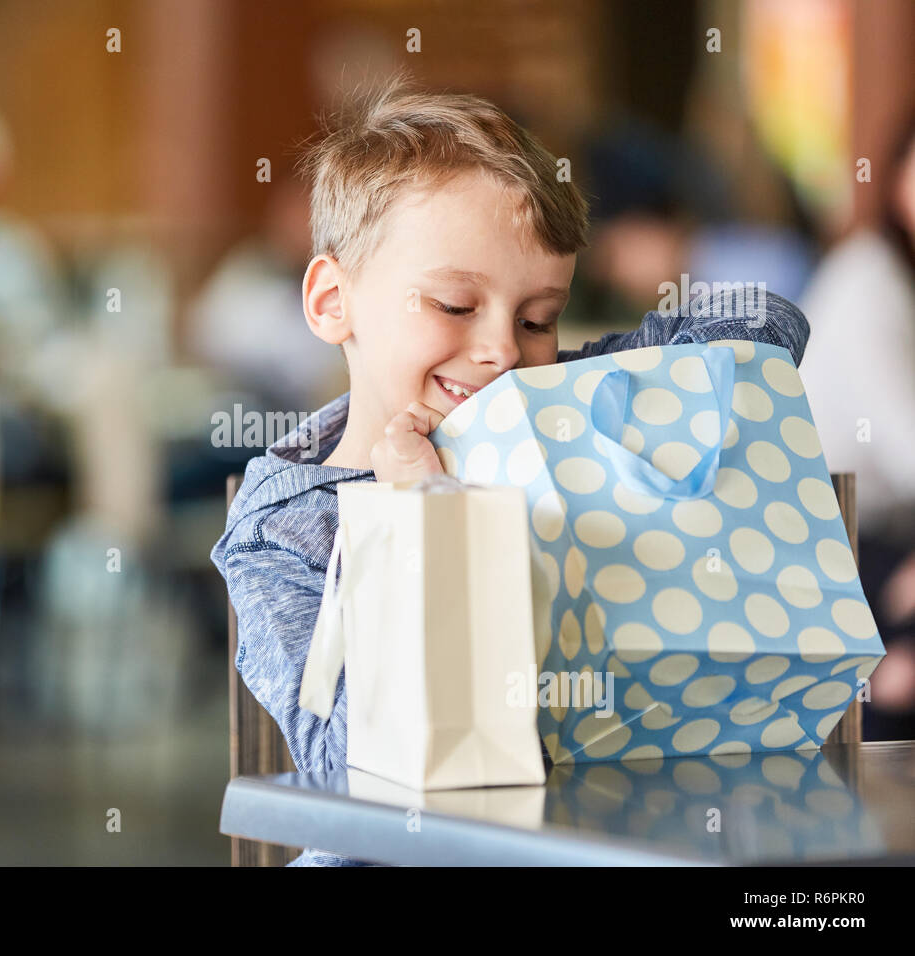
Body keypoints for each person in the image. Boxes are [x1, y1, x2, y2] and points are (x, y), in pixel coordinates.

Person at [209, 77, 810, 866]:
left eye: (537, 319)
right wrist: (421, 512)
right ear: (332, 302)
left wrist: (579, 398)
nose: (501, 350)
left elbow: (768, 327)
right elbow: (355, 771)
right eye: (456, 306)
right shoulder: (286, 527)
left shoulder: (555, 411)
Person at [797, 110, 915, 741]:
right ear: (895, 179)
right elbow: (907, 446)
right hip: (829, 537)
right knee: (897, 675)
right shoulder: (870, 281)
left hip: (885, 532)